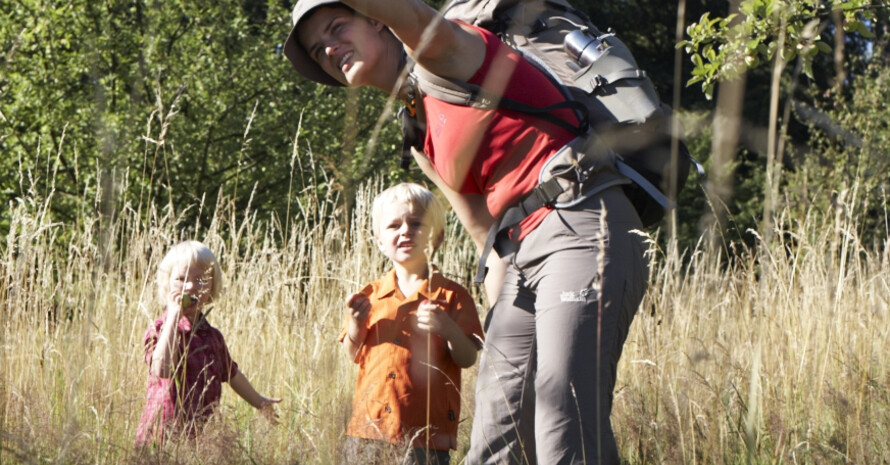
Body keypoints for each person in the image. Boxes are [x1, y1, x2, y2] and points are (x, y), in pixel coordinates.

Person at [284, 1, 648, 463]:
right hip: (519, 254)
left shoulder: (448, 49)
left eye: (337, 27)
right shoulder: (417, 128)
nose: (330, 49)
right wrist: (505, 322)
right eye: (319, 50)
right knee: (497, 437)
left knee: (564, 421)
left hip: (579, 219)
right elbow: (483, 231)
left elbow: (413, 19)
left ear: (377, 17)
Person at [339, 182, 484, 465]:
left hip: (426, 435)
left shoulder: (453, 295)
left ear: (438, 237)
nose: (405, 230)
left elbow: (467, 358)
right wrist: (356, 324)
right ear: (380, 241)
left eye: (416, 223)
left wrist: (449, 329)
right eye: (393, 226)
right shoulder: (370, 295)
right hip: (369, 428)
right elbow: (353, 354)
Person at [135, 240, 281, 446]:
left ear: (211, 288)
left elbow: (232, 374)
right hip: (163, 439)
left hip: (202, 439)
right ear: (167, 284)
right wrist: (174, 318)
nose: (191, 286)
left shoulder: (212, 337)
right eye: (180, 279)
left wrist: (259, 401)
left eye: (201, 279)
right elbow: (163, 368)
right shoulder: (160, 329)